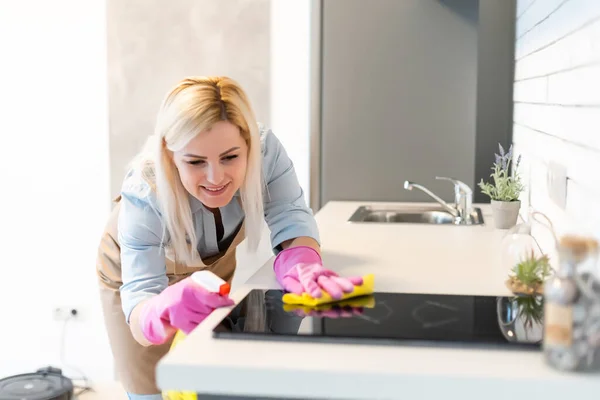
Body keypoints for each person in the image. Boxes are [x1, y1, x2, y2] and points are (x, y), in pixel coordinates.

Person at [95, 76, 363, 400]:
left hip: (213, 263)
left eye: (230, 157)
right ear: (169, 155)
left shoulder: (265, 152)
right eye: (195, 162)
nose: (215, 178)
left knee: (217, 373)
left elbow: (288, 213)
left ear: (249, 145)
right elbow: (140, 306)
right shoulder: (145, 192)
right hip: (133, 272)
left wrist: (302, 263)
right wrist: (159, 311)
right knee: (152, 388)